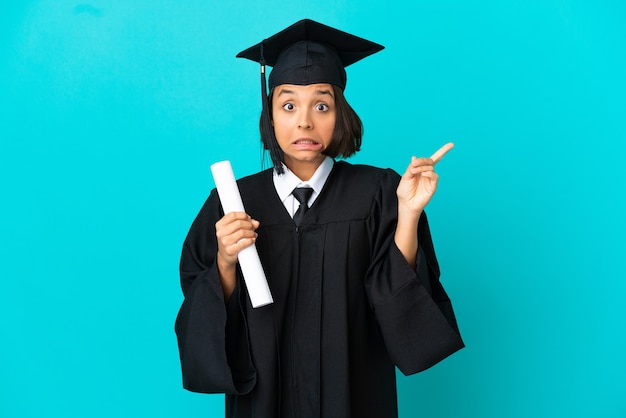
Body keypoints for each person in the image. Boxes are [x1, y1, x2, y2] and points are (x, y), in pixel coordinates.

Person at [175, 19, 464, 418]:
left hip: (354, 394)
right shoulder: (233, 201)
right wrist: (225, 262)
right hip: (264, 397)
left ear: (341, 114)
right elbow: (199, 303)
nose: (304, 122)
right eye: (288, 105)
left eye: (322, 105)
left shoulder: (380, 192)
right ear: (270, 116)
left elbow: (395, 290)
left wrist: (409, 214)